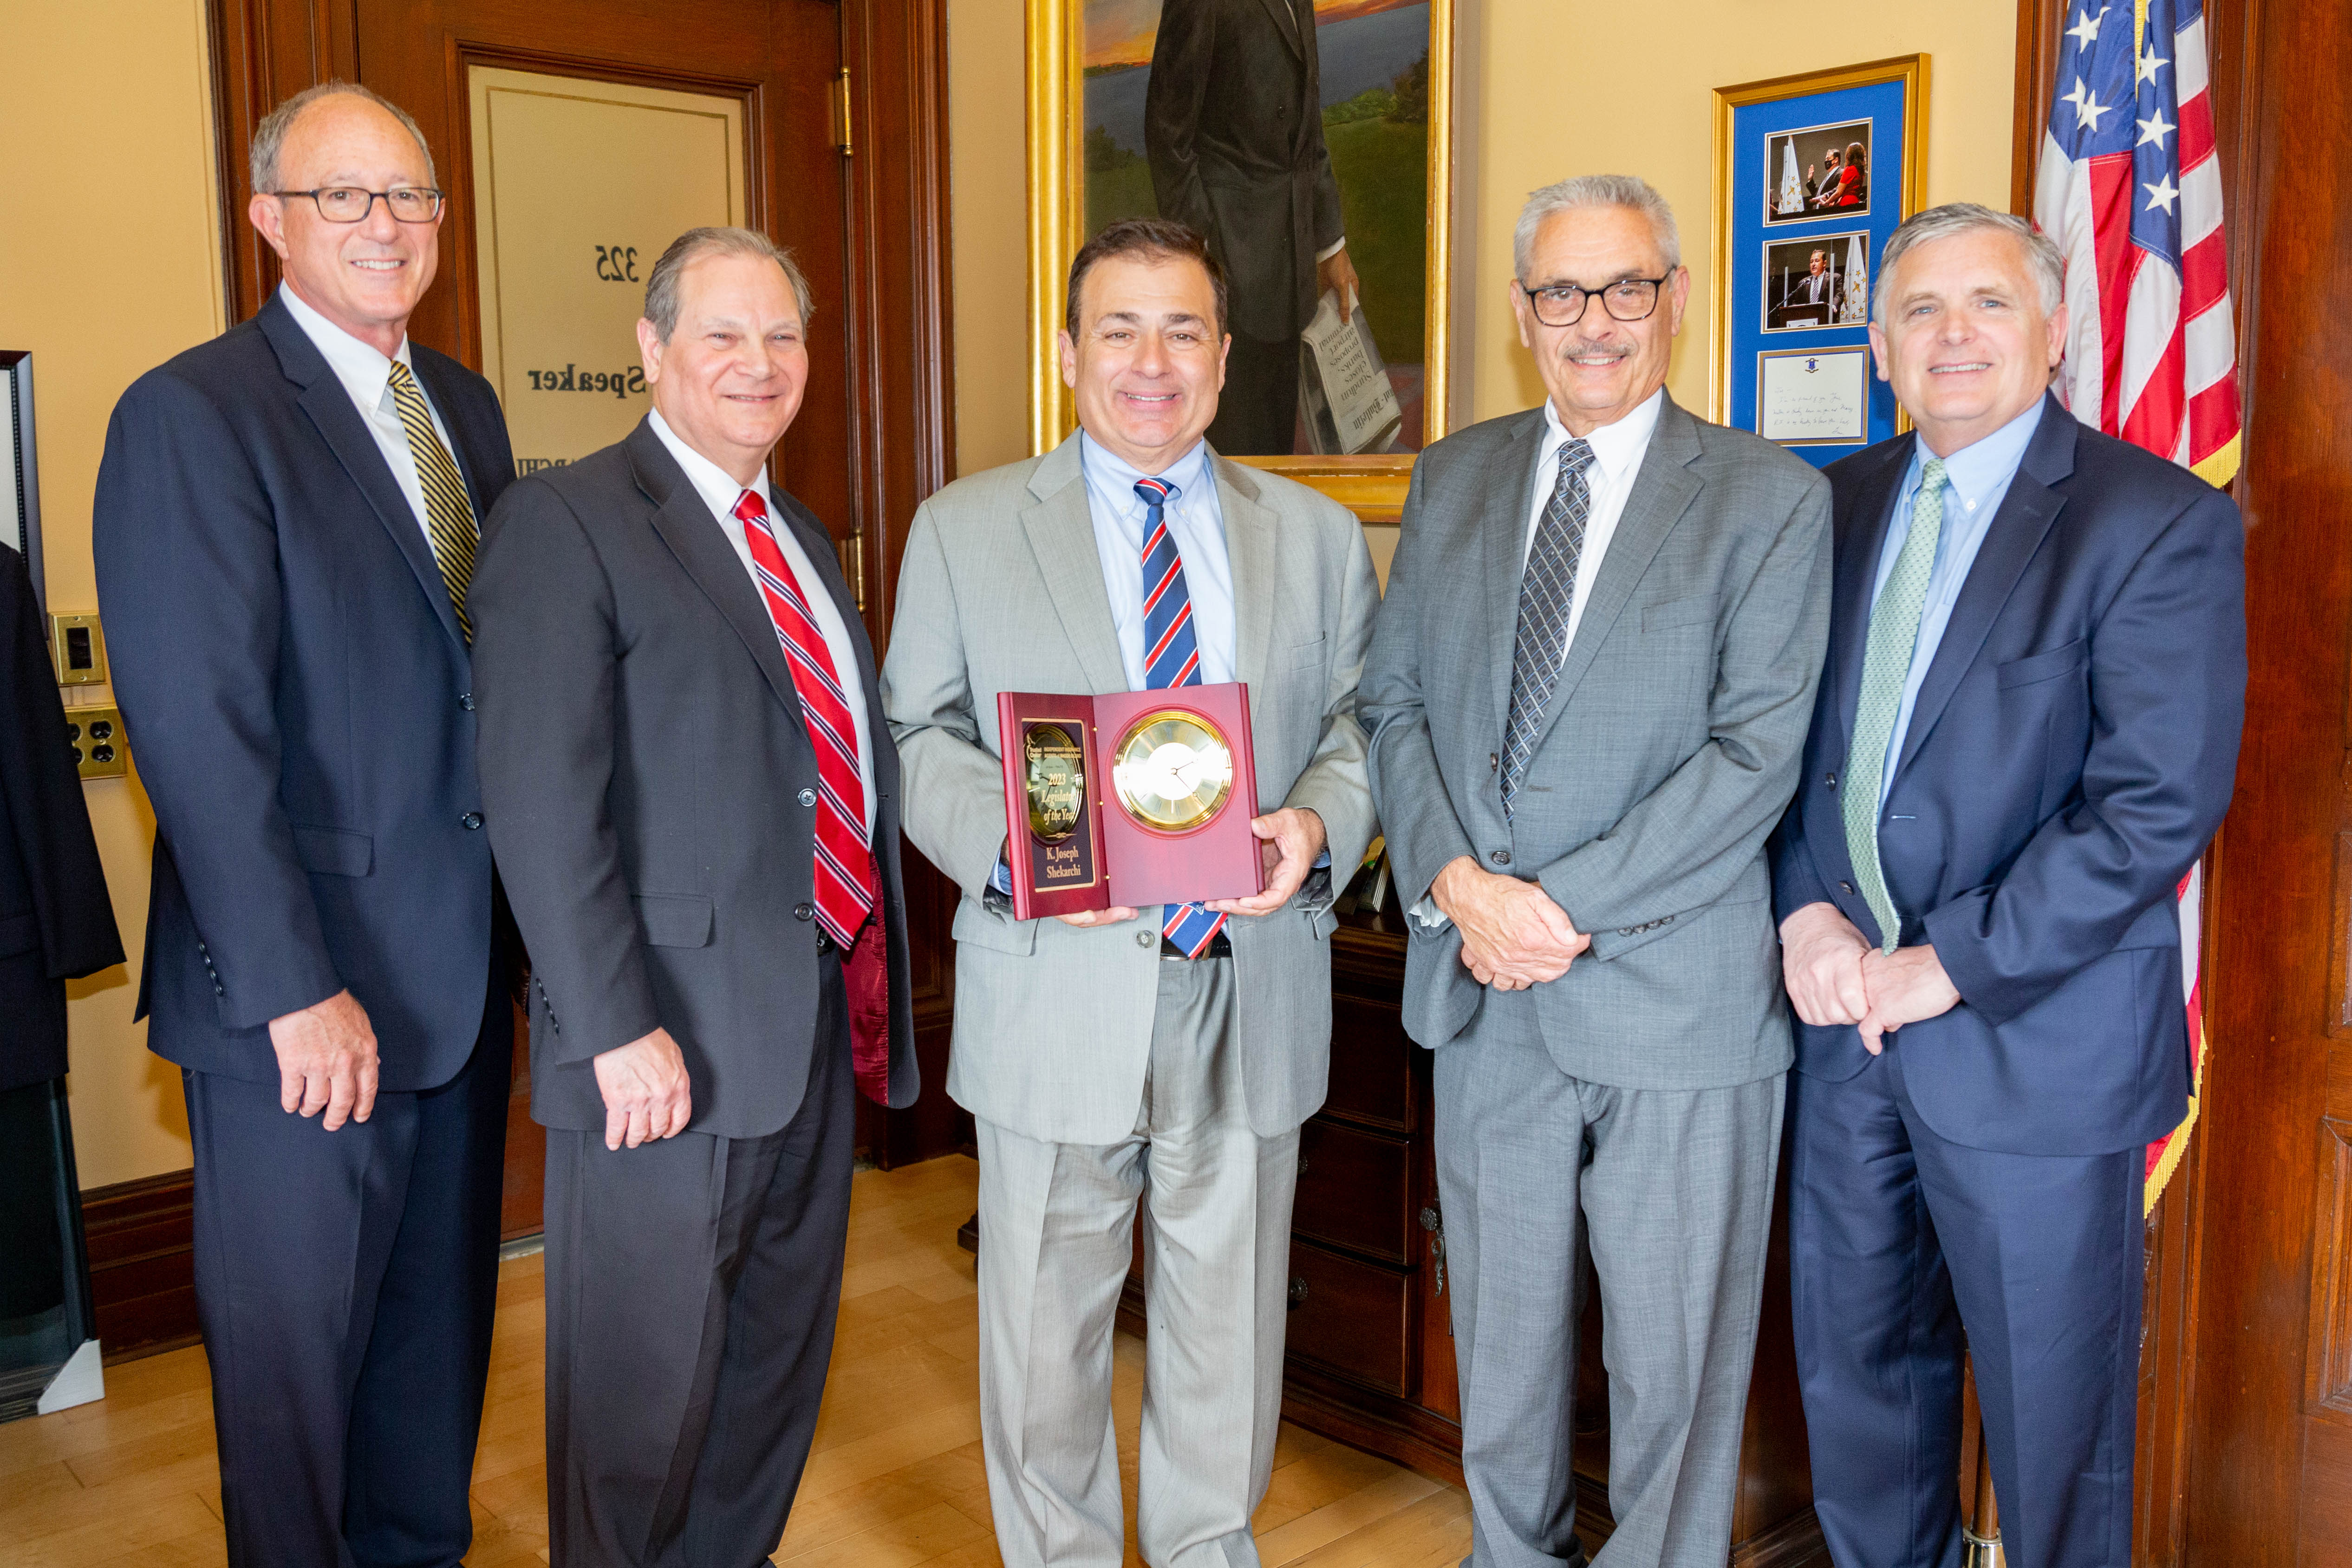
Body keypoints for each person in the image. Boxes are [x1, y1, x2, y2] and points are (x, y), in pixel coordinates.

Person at [882, 215, 1377, 1568]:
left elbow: (1358, 724)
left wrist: (1315, 822)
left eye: (1181, 330)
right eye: (1118, 328)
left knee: (1227, 1336)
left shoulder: (1317, 536)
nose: (1149, 362)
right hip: (1056, 990)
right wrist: (1018, 853)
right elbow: (913, 733)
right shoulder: (968, 527)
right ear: (1067, 353)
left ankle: (1209, 1548)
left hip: (1246, 982)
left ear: (1223, 358)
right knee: (1043, 1342)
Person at [1359, 174, 1831, 1568]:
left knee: (1671, 1381)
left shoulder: (1765, 498)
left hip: (1674, 1004)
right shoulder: (1450, 474)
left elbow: (1752, 757)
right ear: (1519, 313)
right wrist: (1453, 881)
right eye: (1560, 292)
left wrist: (1549, 910)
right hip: (1483, 995)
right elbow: (1393, 706)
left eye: (1625, 286)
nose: (1593, 321)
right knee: (1496, 1367)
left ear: (1671, 299)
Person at [1771, 202, 2244, 1568]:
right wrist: (1804, 905)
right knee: (1859, 1402)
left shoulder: (2149, 521)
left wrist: (1950, 962)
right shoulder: (1833, 505)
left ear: (2053, 333)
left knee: (2051, 1437)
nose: (1952, 335)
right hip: (1842, 1032)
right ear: (1877, 345)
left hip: (2031, 1045)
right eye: (1918, 311)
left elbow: (2152, 804)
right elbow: (1791, 749)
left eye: (1986, 304)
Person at [92, 82, 515, 1567]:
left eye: (411, 197)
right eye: (346, 197)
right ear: (269, 218)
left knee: (426, 1365)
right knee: (297, 1400)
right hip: (304, 1005)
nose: (387, 226)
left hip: (457, 981)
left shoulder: (459, 405)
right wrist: (291, 986)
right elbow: (199, 733)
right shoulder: (191, 415)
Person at [470, 225, 917, 1568]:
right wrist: (613, 1027)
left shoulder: (804, 539)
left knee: (768, 1379)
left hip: (809, 1027)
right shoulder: (568, 521)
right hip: (657, 1046)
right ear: (651, 349)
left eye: (781, 334)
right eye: (721, 333)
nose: (757, 362)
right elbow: (544, 800)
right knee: (638, 1405)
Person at [1146, 0, 1362, 456]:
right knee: (1236, 461)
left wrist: (1331, 248)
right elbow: (1169, 139)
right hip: (1229, 273)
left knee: (1276, 457)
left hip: (1292, 269)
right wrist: (1202, 259)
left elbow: (1309, 134)